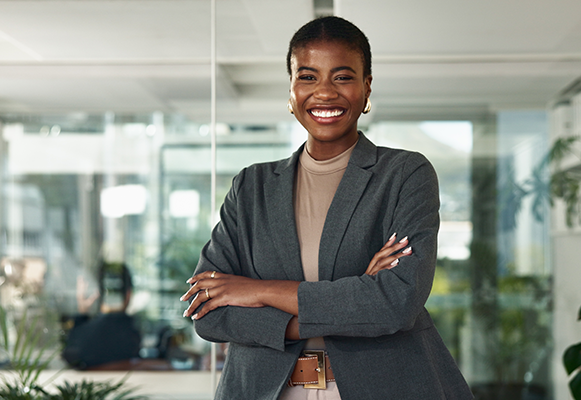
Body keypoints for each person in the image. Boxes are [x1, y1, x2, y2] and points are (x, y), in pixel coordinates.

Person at [181, 16, 473, 400]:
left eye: (342, 77)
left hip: (384, 387)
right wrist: (353, 302)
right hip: (265, 390)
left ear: (366, 88)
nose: (324, 92)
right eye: (307, 77)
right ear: (290, 91)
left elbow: (395, 303)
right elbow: (208, 311)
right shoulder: (251, 187)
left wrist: (256, 290)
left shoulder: (404, 173)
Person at [62, 261, 141, 370]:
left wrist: (82, 313)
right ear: (128, 294)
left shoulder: (88, 334)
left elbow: (71, 356)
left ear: (98, 294)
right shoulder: (133, 332)